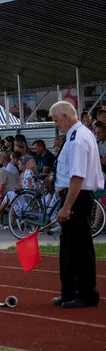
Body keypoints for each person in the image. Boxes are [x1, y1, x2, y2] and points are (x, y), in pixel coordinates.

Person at [50, 101, 102, 308]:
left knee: (80, 247)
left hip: (77, 198)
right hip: (72, 196)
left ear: (65, 115)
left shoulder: (79, 137)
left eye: (56, 120)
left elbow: (78, 176)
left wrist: (67, 206)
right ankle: (69, 291)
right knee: (69, 248)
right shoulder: (72, 136)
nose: (56, 125)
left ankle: (86, 293)